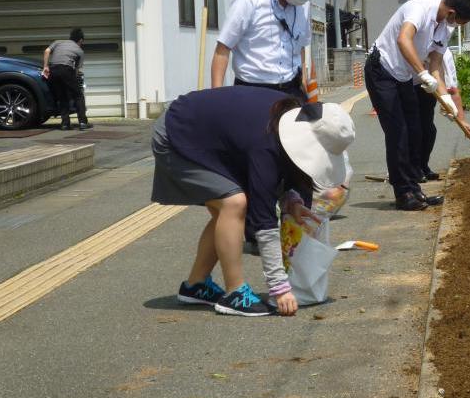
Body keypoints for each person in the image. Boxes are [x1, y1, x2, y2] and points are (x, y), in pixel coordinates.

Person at [150, 87, 355, 317]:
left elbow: (284, 172)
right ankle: (235, 293)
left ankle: (196, 285)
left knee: (225, 210)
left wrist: (293, 201)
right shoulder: (266, 141)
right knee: (233, 203)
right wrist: (279, 288)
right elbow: (263, 219)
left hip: (198, 128)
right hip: (177, 133)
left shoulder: (288, 119)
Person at [364, 0, 470, 211]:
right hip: (382, 70)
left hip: (404, 75)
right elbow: (403, 40)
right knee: (398, 131)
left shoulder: (445, 26)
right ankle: (403, 193)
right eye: (460, 21)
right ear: (452, 12)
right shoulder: (419, 8)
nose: (458, 25)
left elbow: (436, 62)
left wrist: (445, 96)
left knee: (416, 130)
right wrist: (422, 73)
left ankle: (414, 188)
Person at [210, 0, 327, 101]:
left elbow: (301, 45)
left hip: (291, 89)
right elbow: (222, 50)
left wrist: (303, 77)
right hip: (252, 91)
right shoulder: (248, 1)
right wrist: (216, 99)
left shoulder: (303, 5)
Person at [412, 48, 470, 182]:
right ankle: (413, 169)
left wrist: (461, 120)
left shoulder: (445, 53)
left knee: (428, 130)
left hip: (429, 88)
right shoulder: (423, 40)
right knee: (414, 130)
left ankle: (423, 166)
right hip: (408, 84)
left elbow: (452, 90)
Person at [42, 28, 92, 131]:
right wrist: (72, 80)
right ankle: (82, 122)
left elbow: (47, 51)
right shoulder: (79, 51)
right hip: (66, 70)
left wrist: (46, 67)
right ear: (81, 40)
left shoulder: (58, 42)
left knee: (62, 97)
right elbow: (76, 70)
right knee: (78, 95)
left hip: (54, 71)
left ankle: (65, 124)